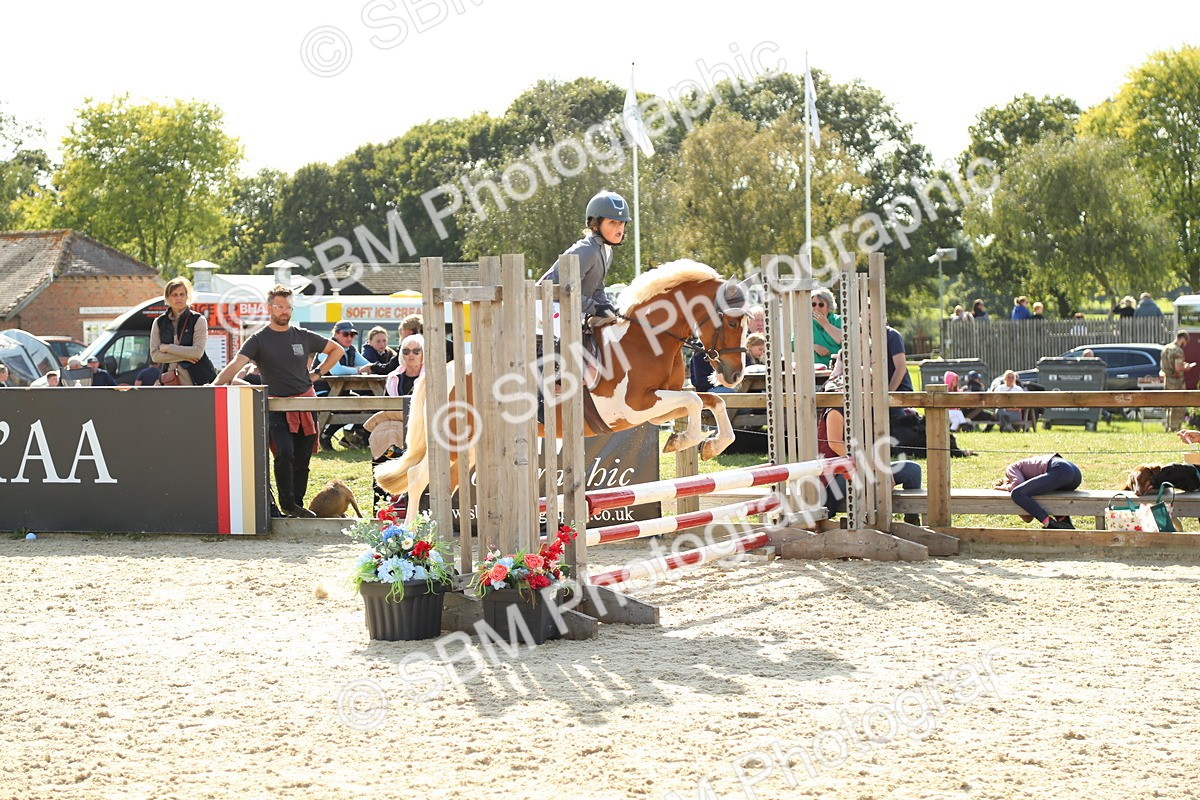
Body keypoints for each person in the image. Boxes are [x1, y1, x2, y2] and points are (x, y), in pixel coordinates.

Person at [213, 284, 345, 518]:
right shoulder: (258, 339)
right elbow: (236, 364)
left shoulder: (302, 335)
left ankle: (297, 505)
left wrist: (317, 374)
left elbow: (336, 350)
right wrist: (214, 386)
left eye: (288, 307)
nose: (285, 311)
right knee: (284, 453)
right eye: (280, 306)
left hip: (305, 403)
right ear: (269, 308)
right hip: (276, 406)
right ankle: (287, 504)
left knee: (303, 458)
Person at [817, 359, 922, 525]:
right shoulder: (837, 408)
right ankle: (873, 525)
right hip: (837, 475)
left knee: (913, 470)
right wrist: (874, 469)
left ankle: (911, 522)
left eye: (871, 382)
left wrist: (881, 468)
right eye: (865, 382)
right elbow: (835, 444)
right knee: (871, 479)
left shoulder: (870, 409)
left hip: (865, 468)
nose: (871, 386)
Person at [538, 189, 629, 334]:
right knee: (573, 336)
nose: (619, 228)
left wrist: (606, 305)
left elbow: (597, 288)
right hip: (547, 302)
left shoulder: (607, 251)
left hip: (569, 304)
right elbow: (567, 290)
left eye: (622, 223)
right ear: (595, 224)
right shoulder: (587, 250)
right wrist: (595, 308)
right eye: (612, 222)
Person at [149, 276, 217, 386]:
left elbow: (197, 352)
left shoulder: (198, 320)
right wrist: (186, 356)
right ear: (167, 298)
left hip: (198, 382)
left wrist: (168, 348)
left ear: (187, 296)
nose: (179, 298)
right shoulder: (159, 323)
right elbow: (155, 356)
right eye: (174, 295)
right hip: (170, 382)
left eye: (182, 294)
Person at [994, 454, 1082, 529]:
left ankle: (1049, 524)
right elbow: (1028, 519)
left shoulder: (1012, 467)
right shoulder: (1034, 481)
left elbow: (1017, 484)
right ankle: (1064, 521)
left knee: (1017, 493)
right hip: (1075, 475)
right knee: (1046, 494)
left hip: (1061, 470)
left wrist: (1003, 488)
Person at [1162, 330, 1195, 431]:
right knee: (1178, 404)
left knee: (1168, 404)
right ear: (1183, 339)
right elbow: (1178, 368)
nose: (1185, 345)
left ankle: (1167, 426)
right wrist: (1187, 367)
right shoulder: (1178, 351)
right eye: (1185, 342)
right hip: (1176, 381)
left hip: (1167, 379)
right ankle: (1175, 427)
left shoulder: (1166, 348)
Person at [811, 287, 843, 368]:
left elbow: (844, 339)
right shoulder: (806, 322)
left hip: (838, 369)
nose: (817, 308)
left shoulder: (839, 320)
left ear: (828, 306)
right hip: (814, 371)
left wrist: (825, 324)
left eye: (821, 305)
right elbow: (794, 343)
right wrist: (814, 347)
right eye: (813, 304)